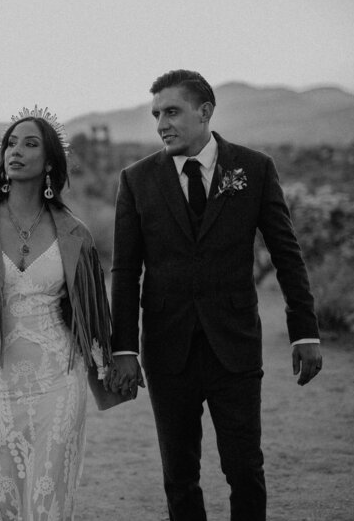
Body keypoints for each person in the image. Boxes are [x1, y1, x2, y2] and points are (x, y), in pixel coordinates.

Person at [107, 70, 323, 521]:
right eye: (156, 115)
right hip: (167, 350)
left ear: (205, 112)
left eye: (172, 111)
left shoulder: (254, 169)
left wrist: (305, 330)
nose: (161, 124)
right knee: (179, 476)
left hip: (235, 345)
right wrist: (123, 347)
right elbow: (125, 271)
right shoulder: (137, 180)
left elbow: (286, 254)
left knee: (245, 468)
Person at [0, 106, 127, 520]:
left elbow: (89, 314)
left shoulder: (75, 233)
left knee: (48, 497)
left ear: (50, 162)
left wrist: (115, 366)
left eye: (30, 143)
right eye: (10, 143)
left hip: (59, 382)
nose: (15, 151)